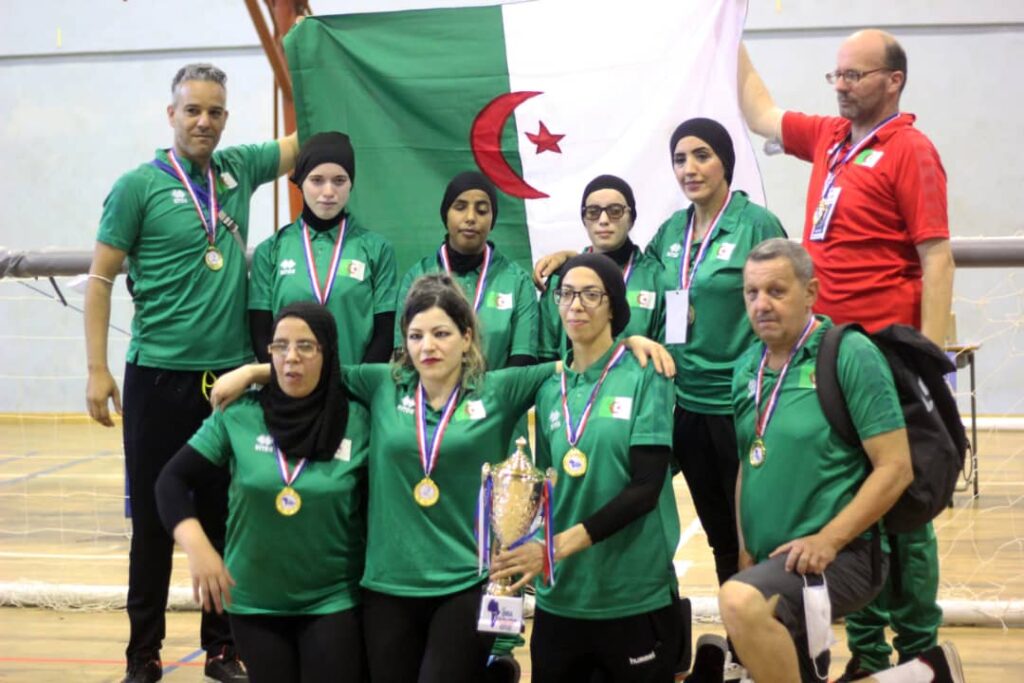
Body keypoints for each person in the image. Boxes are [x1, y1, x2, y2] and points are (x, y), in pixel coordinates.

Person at [212, 274, 674, 683]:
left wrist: (631, 343)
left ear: (466, 336)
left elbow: (581, 362)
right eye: (415, 336)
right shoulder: (380, 383)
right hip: (386, 587)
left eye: (440, 333)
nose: (427, 347)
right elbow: (315, 370)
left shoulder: (501, 388)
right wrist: (254, 371)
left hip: (465, 584)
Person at [738, 30, 955, 678]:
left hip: (885, 355)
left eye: (854, 76)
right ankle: (867, 652)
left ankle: (919, 646)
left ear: (893, 81)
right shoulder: (830, 138)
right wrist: (718, 25)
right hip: (826, 352)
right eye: (835, 75)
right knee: (847, 501)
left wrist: (931, 356)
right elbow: (760, 113)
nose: (840, 86)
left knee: (904, 503)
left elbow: (936, 253)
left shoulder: (911, 150)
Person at [84, 62, 299, 683]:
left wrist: (312, 54)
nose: (203, 121)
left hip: (228, 383)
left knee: (225, 517)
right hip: (156, 378)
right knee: (154, 523)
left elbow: (311, 140)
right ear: (170, 114)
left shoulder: (241, 169)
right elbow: (99, 280)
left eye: (215, 112)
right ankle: (143, 655)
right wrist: (98, 369)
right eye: (192, 110)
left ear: (226, 117)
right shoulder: (137, 187)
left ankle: (222, 649)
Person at [534, 119, 786, 587]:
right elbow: (620, 271)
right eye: (679, 159)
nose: (689, 168)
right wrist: (575, 257)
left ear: (725, 161)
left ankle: (777, 641)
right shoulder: (673, 230)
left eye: (701, 155)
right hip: (685, 406)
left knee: (759, 535)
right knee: (720, 539)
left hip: (740, 405)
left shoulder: (756, 224)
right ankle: (739, 645)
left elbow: (789, 297)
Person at [709, 238, 963, 683]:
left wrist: (828, 539)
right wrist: (747, 549)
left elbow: (896, 467)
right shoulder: (746, 366)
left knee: (737, 602)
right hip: (773, 561)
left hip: (841, 556)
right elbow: (750, 461)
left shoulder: (848, 354)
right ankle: (924, 677)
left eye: (776, 291)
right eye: (751, 293)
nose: (761, 304)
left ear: (811, 292)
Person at [493, 253, 682, 683]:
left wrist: (554, 548)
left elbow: (646, 489)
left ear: (614, 305)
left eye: (591, 294)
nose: (576, 304)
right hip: (562, 597)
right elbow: (546, 491)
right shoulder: (548, 388)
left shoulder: (646, 371)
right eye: (567, 294)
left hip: (632, 594)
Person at [155, 303, 367, 683]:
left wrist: (253, 372)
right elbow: (170, 482)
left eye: (306, 346)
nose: (291, 358)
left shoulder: (359, 420)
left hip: (332, 600)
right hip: (253, 602)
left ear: (328, 353)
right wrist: (200, 549)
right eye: (280, 346)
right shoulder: (239, 415)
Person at [249, 131, 397, 364]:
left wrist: (355, 385)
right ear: (300, 182)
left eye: (339, 180)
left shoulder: (377, 250)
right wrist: (284, 384)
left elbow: (385, 332)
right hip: (289, 391)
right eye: (317, 180)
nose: (328, 192)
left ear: (351, 184)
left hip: (353, 392)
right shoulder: (270, 251)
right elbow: (260, 332)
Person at [395, 171, 538, 370]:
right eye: (460, 207)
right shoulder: (417, 276)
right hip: (429, 398)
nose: (470, 218)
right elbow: (403, 353)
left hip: (496, 398)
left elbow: (523, 361)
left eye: (481, 210)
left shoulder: (517, 281)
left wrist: (490, 397)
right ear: (446, 214)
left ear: (492, 219)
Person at [537, 174, 665, 362]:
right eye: (593, 212)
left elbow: (667, 353)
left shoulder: (657, 279)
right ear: (584, 220)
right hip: (571, 389)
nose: (603, 220)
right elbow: (545, 357)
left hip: (635, 388)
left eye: (615, 211)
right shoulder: (561, 280)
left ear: (632, 218)